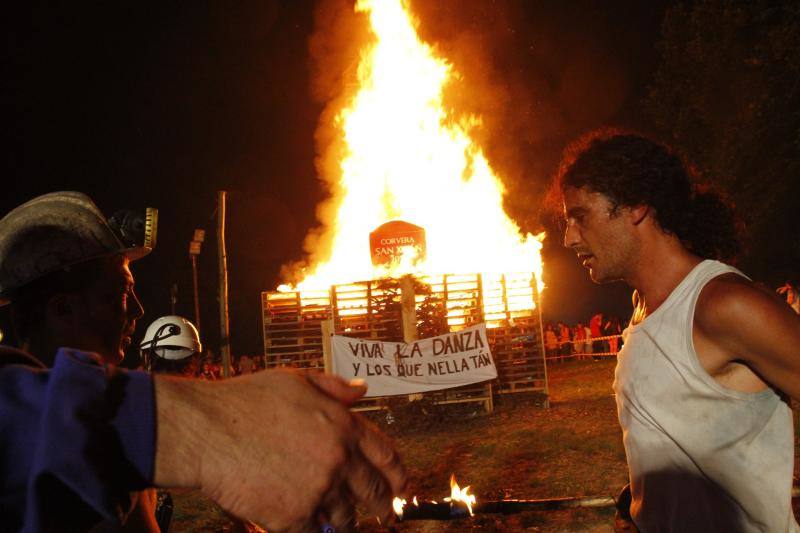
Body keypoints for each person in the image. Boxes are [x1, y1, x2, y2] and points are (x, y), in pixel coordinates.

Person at [0, 192, 406, 532]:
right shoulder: (59, 459)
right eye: (119, 294)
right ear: (63, 309)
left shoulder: (105, 458)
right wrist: (208, 431)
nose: (137, 310)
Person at [557, 131, 800, 531]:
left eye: (579, 216)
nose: (569, 237)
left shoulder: (723, 305)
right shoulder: (643, 310)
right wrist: (644, 503)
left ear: (635, 206)